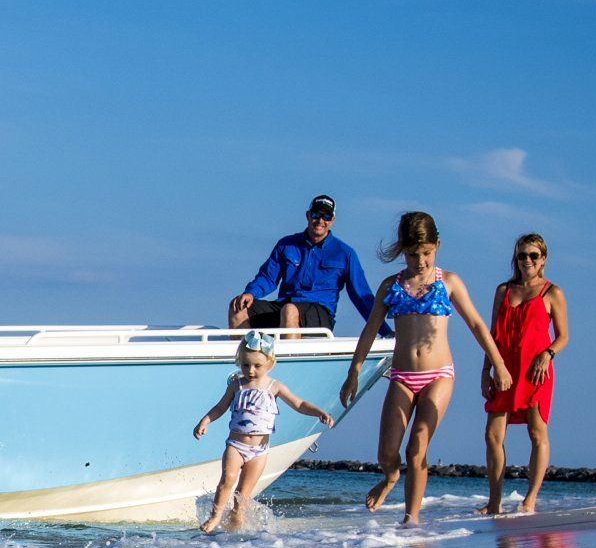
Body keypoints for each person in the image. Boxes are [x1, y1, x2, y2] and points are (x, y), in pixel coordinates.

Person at [341, 211, 510, 526]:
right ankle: (390, 477)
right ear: (403, 251)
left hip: (438, 376)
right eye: (413, 254)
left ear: (437, 246)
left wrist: (498, 364)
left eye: (427, 253)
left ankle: (411, 519)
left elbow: (476, 324)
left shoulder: (449, 282)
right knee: (387, 454)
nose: (420, 260)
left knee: (417, 444)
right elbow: (369, 330)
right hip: (402, 377)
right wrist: (355, 371)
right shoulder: (391, 286)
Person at [194, 330, 334, 533]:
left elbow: (299, 403)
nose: (250, 370)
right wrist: (205, 421)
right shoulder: (236, 385)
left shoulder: (274, 387)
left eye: (257, 366)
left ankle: (235, 530)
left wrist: (318, 412)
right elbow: (220, 407)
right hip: (235, 445)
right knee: (227, 480)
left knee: (242, 495)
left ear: (270, 363)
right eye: (245, 365)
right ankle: (215, 516)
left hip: (259, 451)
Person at [479, 234, 569, 515]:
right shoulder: (503, 290)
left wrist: (548, 353)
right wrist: (486, 370)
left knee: (536, 432)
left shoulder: (552, 292)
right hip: (503, 369)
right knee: (493, 435)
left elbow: (564, 336)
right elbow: (491, 335)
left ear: (543, 259)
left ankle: (530, 498)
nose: (527, 260)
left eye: (533, 255)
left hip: (536, 372)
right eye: (522, 255)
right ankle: (495, 500)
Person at [229, 195, 382, 334]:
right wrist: (251, 292)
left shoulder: (344, 253)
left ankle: (289, 364)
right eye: (316, 214)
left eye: (326, 216)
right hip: (285, 306)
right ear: (308, 215)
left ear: (332, 220)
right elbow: (268, 277)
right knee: (237, 306)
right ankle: (248, 360)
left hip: (320, 312)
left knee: (290, 311)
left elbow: (361, 296)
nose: (320, 221)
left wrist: (384, 331)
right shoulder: (286, 244)